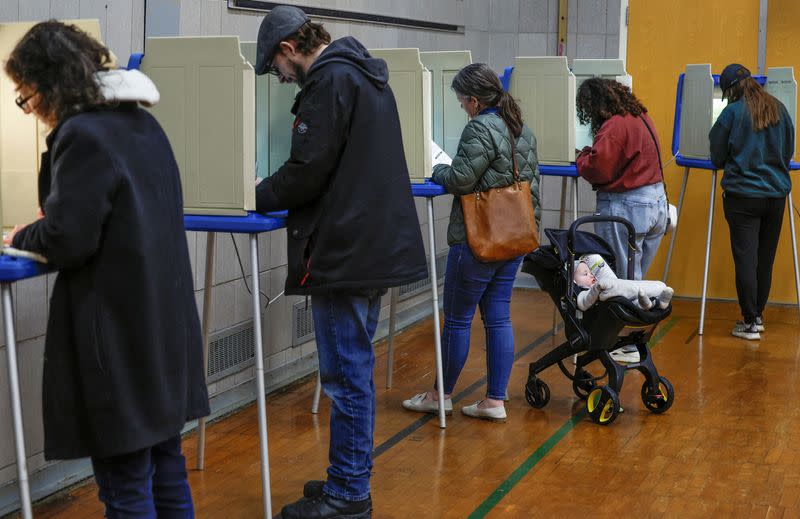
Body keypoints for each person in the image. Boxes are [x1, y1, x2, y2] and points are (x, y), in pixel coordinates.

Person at [5, 21, 209, 518]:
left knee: (124, 488)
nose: (29, 110)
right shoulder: (143, 124)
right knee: (166, 471)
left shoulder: (83, 135)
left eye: (26, 97)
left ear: (50, 83)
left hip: (118, 339)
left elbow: (67, 239)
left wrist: (18, 237)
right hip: (163, 331)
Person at [253, 6, 427, 518]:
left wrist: (246, 194)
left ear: (288, 49)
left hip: (346, 251)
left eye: (276, 68)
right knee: (354, 369)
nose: (280, 80)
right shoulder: (363, 74)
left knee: (346, 375)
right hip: (370, 247)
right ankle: (345, 476)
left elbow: (307, 171)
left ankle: (348, 495)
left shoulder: (328, 83)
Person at [401, 63, 541, 424]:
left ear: (475, 101)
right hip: (514, 238)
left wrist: (436, 169)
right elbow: (531, 186)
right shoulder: (521, 128)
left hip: (478, 240)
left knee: (458, 320)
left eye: (462, 101)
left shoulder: (479, 127)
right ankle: (495, 400)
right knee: (498, 317)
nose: (462, 107)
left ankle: (440, 396)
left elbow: (461, 179)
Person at [575, 77, 668, 362]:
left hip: (628, 206)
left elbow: (598, 167)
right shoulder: (641, 116)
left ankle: (624, 346)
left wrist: (581, 157)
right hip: (656, 205)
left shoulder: (615, 125)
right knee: (636, 279)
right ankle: (634, 341)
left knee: (623, 282)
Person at [710, 63, 795, 340]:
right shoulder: (779, 109)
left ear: (731, 89)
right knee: (764, 260)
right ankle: (757, 316)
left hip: (743, 196)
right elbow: (788, 151)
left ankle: (749, 323)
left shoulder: (731, 113)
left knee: (745, 259)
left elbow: (717, 155)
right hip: (775, 196)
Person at [573, 254, 674, 311]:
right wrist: (597, 287)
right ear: (574, 280)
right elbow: (583, 303)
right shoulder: (583, 293)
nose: (592, 275)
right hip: (609, 309)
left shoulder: (602, 283)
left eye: (591, 273)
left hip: (621, 301)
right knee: (630, 290)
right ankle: (650, 300)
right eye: (585, 274)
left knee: (631, 293)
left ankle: (656, 303)